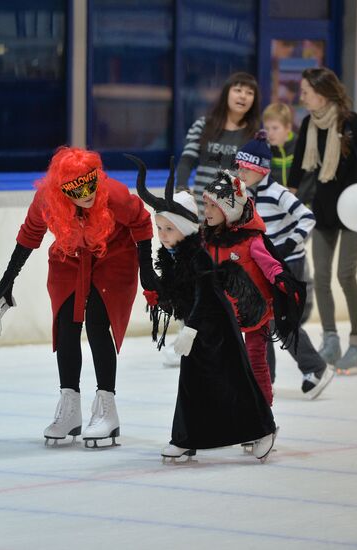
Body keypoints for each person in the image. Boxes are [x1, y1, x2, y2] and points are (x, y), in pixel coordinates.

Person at [0, 146, 157, 447]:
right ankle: (69, 406)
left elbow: (141, 222)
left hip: (113, 255)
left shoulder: (113, 194)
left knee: (96, 323)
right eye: (76, 189)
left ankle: (107, 408)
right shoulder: (46, 200)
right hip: (69, 256)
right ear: (61, 190)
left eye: (91, 183)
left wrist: (146, 269)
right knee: (66, 325)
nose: (87, 193)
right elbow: (30, 234)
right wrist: (8, 278)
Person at [130, 155, 278, 462]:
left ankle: (263, 429)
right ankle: (187, 438)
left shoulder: (196, 255)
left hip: (217, 328)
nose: (162, 235)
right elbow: (177, 294)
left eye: (168, 228)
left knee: (235, 380)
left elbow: (207, 295)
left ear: (184, 228)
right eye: (159, 228)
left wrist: (191, 329)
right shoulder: (173, 255)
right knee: (193, 383)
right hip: (199, 329)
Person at [287, 67, 357, 374]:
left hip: (355, 210)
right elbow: (296, 171)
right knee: (320, 277)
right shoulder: (307, 123)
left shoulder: (350, 122)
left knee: (346, 275)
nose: (301, 95)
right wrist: (288, 203)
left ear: (322, 92)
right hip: (324, 210)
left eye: (306, 90)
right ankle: (330, 339)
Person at [236, 130, 334, 399]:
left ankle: (316, 367)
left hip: (287, 263)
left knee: (280, 319)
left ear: (262, 170)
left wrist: (289, 244)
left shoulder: (277, 193)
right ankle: (263, 376)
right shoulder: (246, 194)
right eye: (239, 167)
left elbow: (307, 217)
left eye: (246, 168)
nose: (241, 173)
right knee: (260, 319)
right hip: (265, 264)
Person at [202, 169, 306, 407]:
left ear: (229, 209)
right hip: (223, 313)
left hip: (254, 312)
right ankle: (233, 411)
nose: (206, 211)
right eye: (204, 204)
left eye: (212, 206)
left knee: (256, 360)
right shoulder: (206, 240)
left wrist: (283, 281)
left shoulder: (250, 239)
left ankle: (263, 414)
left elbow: (269, 264)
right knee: (223, 361)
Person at [176, 71, 260, 219]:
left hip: (234, 216)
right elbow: (186, 161)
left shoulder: (256, 136)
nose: (243, 96)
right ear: (226, 93)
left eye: (249, 93)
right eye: (238, 90)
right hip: (202, 212)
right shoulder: (203, 125)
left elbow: (256, 179)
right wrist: (182, 188)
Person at [263, 102, 314, 324]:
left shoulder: (300, 149)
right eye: (267, 128)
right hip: (275, 221)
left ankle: (304, 304)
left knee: (298, 258)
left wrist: (305, 204)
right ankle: (276, 309)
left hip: (299, 217)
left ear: (287, 128)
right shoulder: (265, 152)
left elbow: (310, 179)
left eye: (275, 128)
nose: (270, 133)